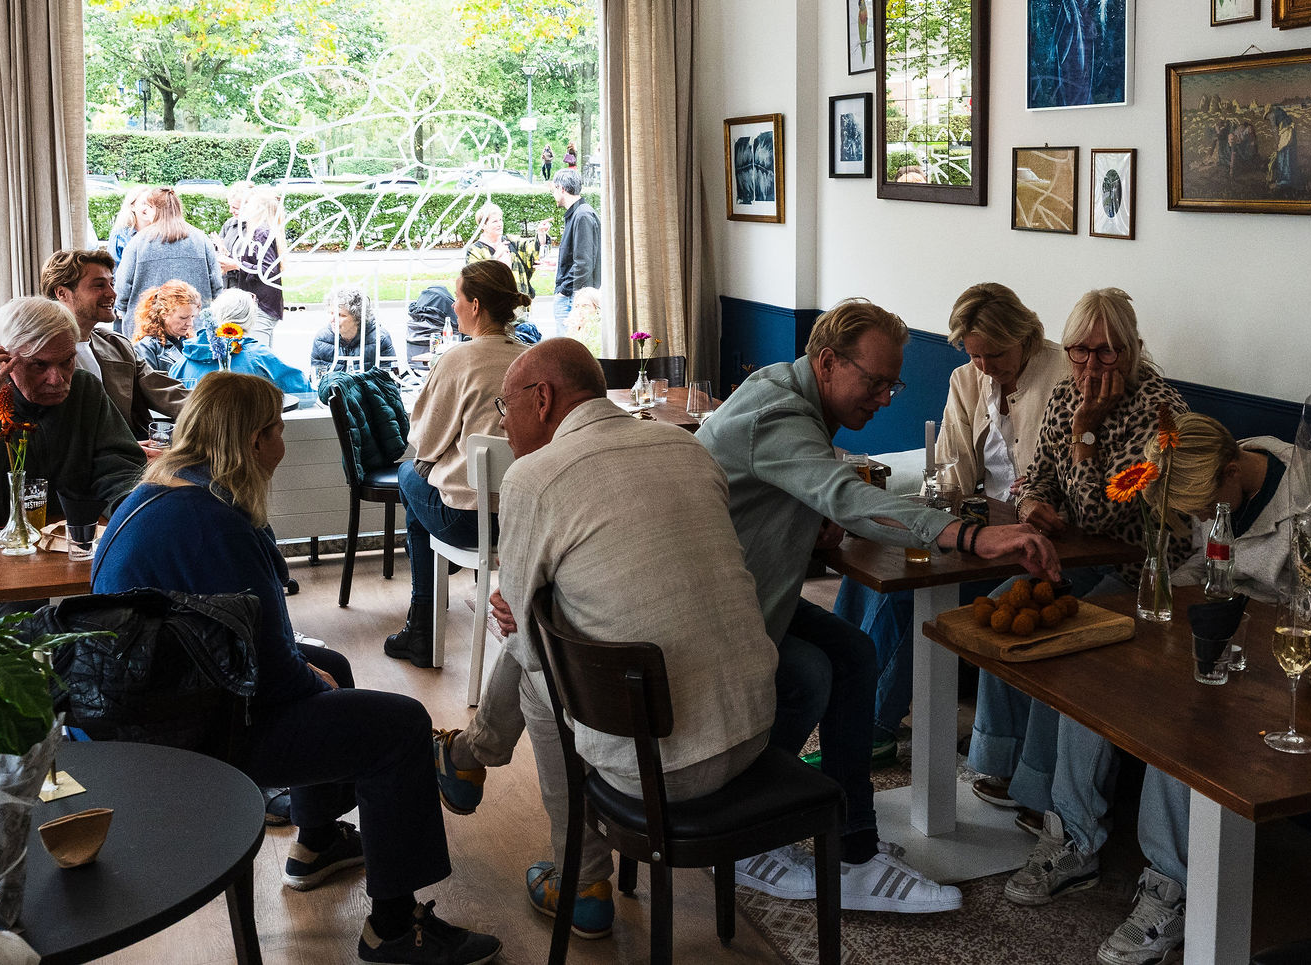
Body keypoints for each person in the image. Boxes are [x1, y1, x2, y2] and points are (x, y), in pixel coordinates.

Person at [92, 372, 500, 965]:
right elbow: (277, 672)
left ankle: (317, 840)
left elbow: (250, 641)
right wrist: (315, 684)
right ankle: (392, 927)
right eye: (278, 430)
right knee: (400, 724)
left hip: (149, 702)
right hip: (188, 734)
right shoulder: (219, 521)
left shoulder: (158, 492)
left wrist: (316, 675)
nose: (282, 443)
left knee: (331, 660)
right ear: (255, 440)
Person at [695, 298, 1060, 914]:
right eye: (876, 382)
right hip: (716, 612)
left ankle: (851, 844)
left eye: (895, 384)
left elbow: (770, 496)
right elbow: (843, 494)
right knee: (811, 673)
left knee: (853, 651)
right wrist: (972, 535)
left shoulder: (782, 391)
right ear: (829, 362)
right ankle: (744, 828)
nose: (887, 397)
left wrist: (803, 524)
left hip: (743, 591)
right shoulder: (781, 411)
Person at [434, 339, 778, 941]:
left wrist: (527, 612)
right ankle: (467, 758)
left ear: (542, 399)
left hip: (658, 764)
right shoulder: (686, 445)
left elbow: (521, 628)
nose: (502, 422)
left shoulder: (533, 477)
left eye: (502, 406)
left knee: (537, 672)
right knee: (553, 626)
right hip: (753, 731)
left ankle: (582, 879)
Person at [965, 288, 1188, 913]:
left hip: (1146, 572)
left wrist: (1086, 438)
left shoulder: (1164, 416)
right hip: (1080, 558)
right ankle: (1000, 765)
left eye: (1109, 351)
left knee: (1071, 642)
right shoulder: (1064, 393)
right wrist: (1034, 502)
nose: (1093, 365)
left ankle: (1058, 814)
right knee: (1007, 602)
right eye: (1081, 350)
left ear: (1135, 350)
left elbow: (1113, 514)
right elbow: (1036, 472)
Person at [1089, 412, 1302, 965]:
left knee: (1178, 718)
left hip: (1277, 658)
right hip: (1214, 624)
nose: (1205, 518)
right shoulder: (1218, 471)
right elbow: (1205, 566)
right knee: (1091, 663)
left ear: (1233, 472)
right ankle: (1068, 828)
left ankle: (1169, 887)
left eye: (1207, 508)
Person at [833, 283, 1066, 755]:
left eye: (995, 354)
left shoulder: (1063, 375)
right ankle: (839, 692)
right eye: (975, 355)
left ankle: (873, 724)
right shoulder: (967, 380)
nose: (985, 367)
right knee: (872, 567)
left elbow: (1061, 479)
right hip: (980, 522)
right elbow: (951, 476)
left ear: (1024, 335)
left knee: (909, 596)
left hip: (1030, 536)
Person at [385, 260, 530, 667]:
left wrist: (439, 460)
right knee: (423, 480)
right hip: (528, 518)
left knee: (408, 475)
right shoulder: (533, 360)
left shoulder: (458, 360)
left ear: (477, 305)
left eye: (458, 298)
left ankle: (423, 626)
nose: (453, 305)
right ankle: (426, 606)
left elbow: (423, 442)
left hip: (468, 520)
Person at [0, 297, 146, 532]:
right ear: (3, 359)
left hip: (65, 541)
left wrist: (131, 508)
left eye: (67, 361)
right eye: (39, 365)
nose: (57, 379)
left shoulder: (85, 390)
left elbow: (119, 469)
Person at [41, 249, 186, 441]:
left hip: (134, 451)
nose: (112, 293)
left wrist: (226, 406)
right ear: (62, 293)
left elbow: (168, 393)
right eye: (99, 285)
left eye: (111, 283)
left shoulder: (116, 344)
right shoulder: (40, 356)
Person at [113, 188, 223, 336]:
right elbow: (216, 285)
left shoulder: (138, 241)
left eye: (148, 207)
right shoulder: (201, 239)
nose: (145, 211)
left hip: (147, 328)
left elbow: (123, 287)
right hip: (194, 328)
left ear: (156, 210)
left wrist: (122, 309)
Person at [172, 288, 314, 398]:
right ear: (250, 319)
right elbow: (305, 392)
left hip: (196, 434)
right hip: (246, 434)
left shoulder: (184, 361)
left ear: (215, 315)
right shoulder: (260, 357)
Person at [220, 184, 285, 343]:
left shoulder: (261, 232)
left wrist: (236, 265)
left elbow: (269, 271)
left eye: (248, 204)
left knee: (257, 356)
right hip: (258, 303)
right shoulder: (258, 229)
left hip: (261, 305)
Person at [549, 172, 599, 337]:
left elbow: (584, 262)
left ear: (561, 189)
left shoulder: (582, 215)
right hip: (574, 295)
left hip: (574, 297)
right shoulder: (579, 214)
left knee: (569, 351)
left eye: (553, 190)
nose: (553, 194)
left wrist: (564, 291)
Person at [311, 285, 398, 375]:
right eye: (331, 313)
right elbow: (316, 379)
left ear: (358, 317)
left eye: (341, 315)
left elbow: (390, 380)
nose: (333, 319)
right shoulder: (321, 339)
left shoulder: (380, 339)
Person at [462, 203, 540, 297]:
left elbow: (533, 249)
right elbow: (475, 281)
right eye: (495, 221)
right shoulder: (475, 250)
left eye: (500, 220)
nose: (500, 224)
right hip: (493, 306)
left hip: (519, 303)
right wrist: (496, 257)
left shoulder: (511, 241)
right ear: (483, 225)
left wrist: (541, 235)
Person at [132, 280, 204, 375]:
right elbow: (150, 385)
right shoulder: (146, 347)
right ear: (164, 314)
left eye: (193, 317)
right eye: (183, 318)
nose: (190, 323)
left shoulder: (192, 342)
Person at [106, 186, 153, 270]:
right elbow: (112, 269)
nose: (148, 207)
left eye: (152, 204)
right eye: (144, 203)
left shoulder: (161, 234)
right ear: (132, 206)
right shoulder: (119, 235)